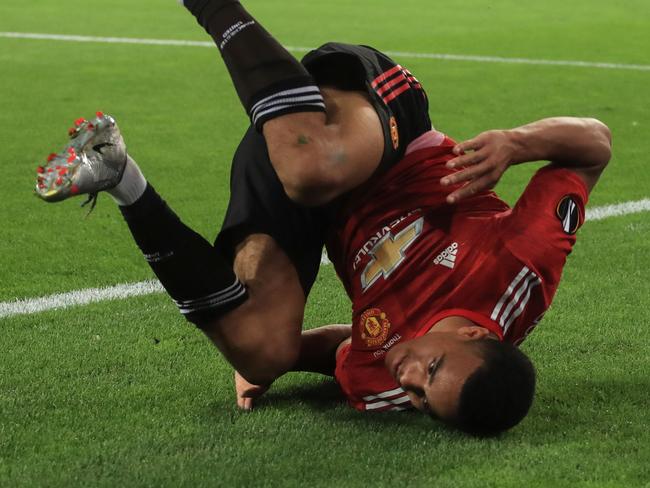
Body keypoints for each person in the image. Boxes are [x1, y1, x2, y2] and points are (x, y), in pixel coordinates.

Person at [35, 0, 611, 436]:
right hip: (382, 132)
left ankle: (117, 173)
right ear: (472, 333)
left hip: (310, 209)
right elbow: (595, 144)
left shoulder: (383, 386)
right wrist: (516, 142)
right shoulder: (518, 268)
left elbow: (348, 349)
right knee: (315, 167)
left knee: (262, 347)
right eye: (432, 370)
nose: (408, 380)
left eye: (420, 400)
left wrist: (272, 367)